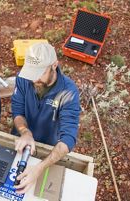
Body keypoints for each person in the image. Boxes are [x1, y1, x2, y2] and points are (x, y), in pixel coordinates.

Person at [11, 43, 81, 194]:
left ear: (54, 65)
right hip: (22, 141)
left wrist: (40, 168)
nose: (33, 79)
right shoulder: (23, 79)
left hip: (48, 146)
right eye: (31, 72)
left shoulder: (68, 92)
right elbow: (17, 111)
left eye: (39, 72)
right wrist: (25, 132)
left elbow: (68, 139)